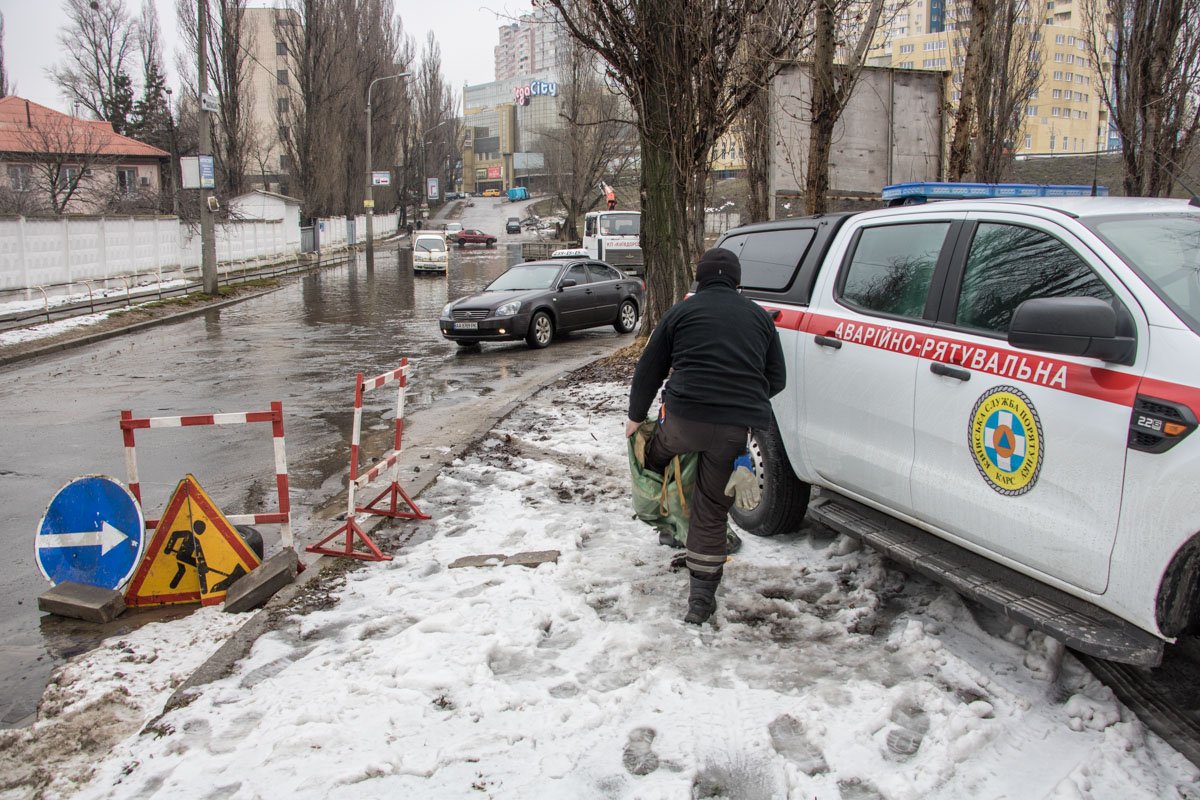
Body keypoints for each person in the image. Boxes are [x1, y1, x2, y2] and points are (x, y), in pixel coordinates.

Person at [625, 247, 786, 625]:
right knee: (712, 510)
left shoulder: (681, 312)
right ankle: (700, 600)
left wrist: (635, 418)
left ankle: (668, 521)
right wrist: (744, 397)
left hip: (682, 421)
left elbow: (650, 368)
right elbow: (777, 378)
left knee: (656, 458)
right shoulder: (759, 318)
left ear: (698, 279)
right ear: (737, 281)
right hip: (732, 432)